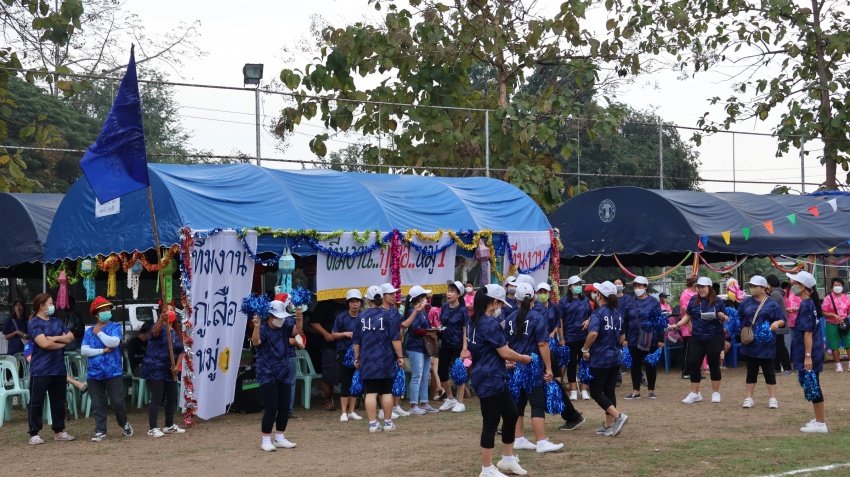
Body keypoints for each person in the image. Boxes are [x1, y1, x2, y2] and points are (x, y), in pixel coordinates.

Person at [467, 284, 532, 477]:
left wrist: (502, 363)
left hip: (490, 374)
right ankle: (486, 468)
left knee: (511, 414)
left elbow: (486, 350)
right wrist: (523, 358)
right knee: (491, 422)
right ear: (494, 302)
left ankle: (508, 459)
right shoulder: (489, 323)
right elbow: (505, 352)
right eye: (501, 304)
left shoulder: (474, 321)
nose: (501, 307)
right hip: (489, 378)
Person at [509, 283, 564, 454]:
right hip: (532, 367)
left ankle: (518, 438)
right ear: (534, 298)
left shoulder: (509, 318)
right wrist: (549, 368)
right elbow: (542, 344)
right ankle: (541, 441)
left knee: (519, 403)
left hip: (514, 368)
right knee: (537, 403)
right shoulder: (537, 317)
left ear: (516, 299)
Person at [252, 298, 303, 451]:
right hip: (266, 372)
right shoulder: (263, 328)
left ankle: (280, 437)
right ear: (270, 316)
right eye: (278, 317)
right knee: (271, 407)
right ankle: (266, 440)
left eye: (282, 317)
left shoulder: (285, 326)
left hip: (283, 370)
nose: (281, 320)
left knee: (284, 406)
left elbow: (297, 331)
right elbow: (256, 342)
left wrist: (299, 317)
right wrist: (256, 327)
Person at [354, 284, 406, 433]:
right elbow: (395, 339)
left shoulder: (361, 317)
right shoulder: (389, 315)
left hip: (367, 359)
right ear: (382, 298)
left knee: (370, 392)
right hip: (386, 358)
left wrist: (357, 358)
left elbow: (356, 341)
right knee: (387, 391)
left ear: (368, 300)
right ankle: (388, 422)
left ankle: (372, 424)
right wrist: (400, 356)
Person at [81, 296, 133, 441]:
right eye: (102, 310)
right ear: (96, 314)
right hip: (94, 374)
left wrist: (99, 333)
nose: (106, 312)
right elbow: (84, 351)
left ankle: (124, 423)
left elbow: (114, 342)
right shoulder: (88, 331)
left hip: (113, 372)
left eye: (108, 309)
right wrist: (102, 351)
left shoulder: (115, 327)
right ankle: (100, 431)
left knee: (117, 402)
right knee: (98, 404)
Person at [670, 277, 729, 404]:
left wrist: (722, 317)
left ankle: (715, 393)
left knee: (714, 364)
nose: (700, 290)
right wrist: (677, 325)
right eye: (698, 287)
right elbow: (688, 316)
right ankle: (695, 393)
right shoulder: (693, 300)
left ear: (709, 287)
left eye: (703, 287)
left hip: (714, 336)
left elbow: (725, 317)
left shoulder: (718, 301)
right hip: (697, 337)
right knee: (693, 363)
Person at [26, 293, 76, 444]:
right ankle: (34, 433)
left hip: (58, 368)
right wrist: (62, 343)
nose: (53, 306)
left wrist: (54, 338)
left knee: (59, 402)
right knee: (36, 402)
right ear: (42, 306)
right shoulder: (34, 323)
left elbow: (71, 337)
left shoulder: (57, 321)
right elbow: (44, 344)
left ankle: (59, 431)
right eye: (50, 303)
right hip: (40, 370)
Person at [582, 281, 628, 437]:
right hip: (615, 357)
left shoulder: (597, 314)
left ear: (600, 295)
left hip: (600, 358)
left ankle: (618, 416)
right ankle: (608, 426)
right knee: (609, 391)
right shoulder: (617, 314)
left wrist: (585, 349)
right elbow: (622, 337)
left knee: (595, 392)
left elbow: (593, 333)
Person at [787, 271, 827, 433]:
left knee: (814, 385)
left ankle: (820, 423)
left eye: (795, 283)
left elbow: (807, 333)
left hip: (811, 352)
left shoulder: (806, 305)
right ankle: (818, 419)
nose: (792, 285)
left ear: (803, 287)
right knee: (813, 384)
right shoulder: (810, 303)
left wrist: (807, 356)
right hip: (815, 350)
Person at [738, 276, 786, 410]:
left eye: (755, 286)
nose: (752, 288)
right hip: (751, 342)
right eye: (751, 286)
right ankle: (749, 398)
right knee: (751, 371)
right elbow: (738, 317)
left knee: (769, 371)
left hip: (766, 343)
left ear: (763, 288)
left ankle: (773, 398)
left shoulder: (772, 304)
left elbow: (782, 319)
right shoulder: (746, 302)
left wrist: (776, 323)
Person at [140, 303, 186, 437]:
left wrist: (177, 366)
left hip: (170, 369)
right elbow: (154, 333)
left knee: (172, 396)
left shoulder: (176, 332)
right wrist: (161, 320)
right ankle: (153, 428)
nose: (170, 312)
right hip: (155, 367)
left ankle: (169, 425)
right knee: (157, 397)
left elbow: (181, 351)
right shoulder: (158, 327)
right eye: (167, 310)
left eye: (172, 310)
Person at [622, 276, 664, 400]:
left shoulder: (654, 302)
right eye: (635, 286)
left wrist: (660, 339)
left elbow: (659, 321)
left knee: (650, 364)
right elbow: (625, 321)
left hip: (651, 337)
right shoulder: (630, 302)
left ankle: (651, 390)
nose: (637, 288)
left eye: (640, 285)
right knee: (635, 364)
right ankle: (636, 391)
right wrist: (625, 337)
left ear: (646, 287)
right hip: (633, 337)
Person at [403, 285, 438, 415]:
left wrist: (432, 329)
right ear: (418, 298)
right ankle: (413, 404)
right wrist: (429, 331)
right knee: (417, 376)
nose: (426, 298)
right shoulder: (412, 311)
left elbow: (424, 327)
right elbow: (415, 329)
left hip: (424, 347)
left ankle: (424, 402)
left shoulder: (422, 311)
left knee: (424, 375)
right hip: (415, 347)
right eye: (424, 296)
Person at [332, 289, 364, 422]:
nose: (355, 304)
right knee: (345, 382)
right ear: (348, 303)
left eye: (357, 301)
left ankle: (352, 411)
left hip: (360, 353)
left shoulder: (364, 316)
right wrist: (345, 334)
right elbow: (333, 334)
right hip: (344, 352)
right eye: (352, 302)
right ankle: (344, 412)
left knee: (355, 381)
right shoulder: (341, 317)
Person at [438, 280, 470, 413]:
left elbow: (465, 330)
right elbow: (442, 323)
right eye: (448, 291)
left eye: (452, 291)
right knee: (441, 372)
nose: (449, 293)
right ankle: (450, 398)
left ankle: (460, 401)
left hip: (458, 344)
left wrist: (464, 348)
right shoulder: (445, 307)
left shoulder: (463, 310)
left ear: (459, 294)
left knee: (459, 373)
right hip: (445, 343)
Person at [558, 275, 591, 401]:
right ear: (570, 287)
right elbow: (560, 320)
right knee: (571, 363)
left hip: (584, 336)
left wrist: (588, 320)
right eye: (576, 284)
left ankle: (584, 389)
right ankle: (573, 390)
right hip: (570, 337)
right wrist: (561, 337)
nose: (578, 286)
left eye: (579, 284)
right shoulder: (563, 301)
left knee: (584, 362)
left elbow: (591, 315)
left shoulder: (585, 300)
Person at [311, 298, 348, 411]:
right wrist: (325, 334)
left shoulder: (349, 305)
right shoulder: (324, 305)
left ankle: (349, 400)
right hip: (329, 345)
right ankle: (328, 401)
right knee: (329, 372)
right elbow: (314, 322)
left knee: (347, 372)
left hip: (346, 345)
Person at [820, 277, 849, 372]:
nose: (837, 287)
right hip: (831, 324)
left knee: (848, 343)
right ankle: (838, 364)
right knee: (834, 345)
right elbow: (823, 311)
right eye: (835, 285)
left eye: (839, 285)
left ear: (843, 286)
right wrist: (833, 315)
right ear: (831, 287)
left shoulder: (846, 297)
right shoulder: (827, 299)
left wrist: (845, 317)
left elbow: (848, 309)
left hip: (844, 323)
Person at [765, 274, 792, 375]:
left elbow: (770, 307)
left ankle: (787, 368)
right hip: (777, 324)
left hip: (778, 324)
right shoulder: (776, 293)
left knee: (780, 347)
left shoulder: (775, 294)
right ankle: (776, 367)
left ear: (770, 283)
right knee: (776, 347)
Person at [678, 275, 698, 379]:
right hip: (687, 325)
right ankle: (685, 371)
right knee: (687, 349)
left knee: (694, 350)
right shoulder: (686, 294)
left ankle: (694, 371)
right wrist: (690, 324)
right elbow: (685, 310)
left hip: (697, 324)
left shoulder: (696, 293)